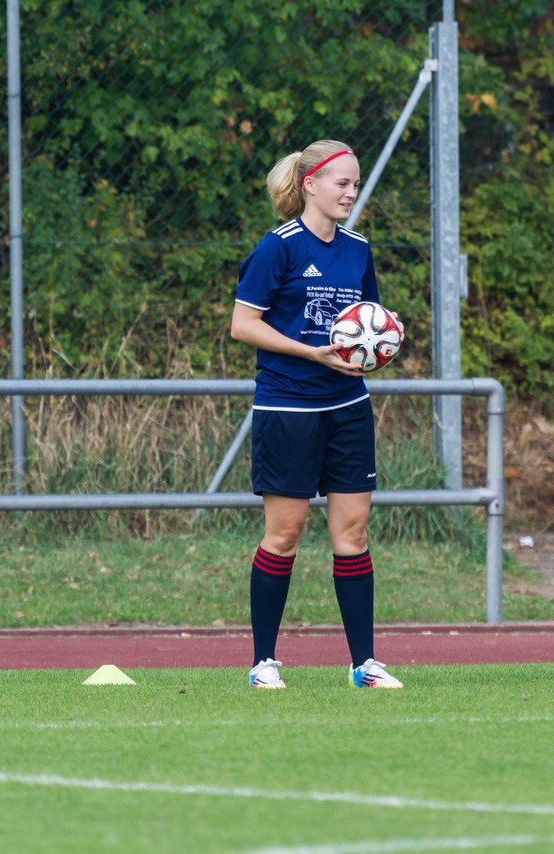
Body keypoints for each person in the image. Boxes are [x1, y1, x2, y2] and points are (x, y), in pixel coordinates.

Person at [230, 139, 403, 690]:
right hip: (287, 405)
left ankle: (363, 666)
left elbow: (367, 320)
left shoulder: (357, 249)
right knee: (284, 534)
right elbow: (243, 325)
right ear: (310, 184)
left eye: (354, 183)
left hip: (348, 407)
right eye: (342, 183)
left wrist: (381, 340)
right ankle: (263, 664)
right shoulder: (277, 247)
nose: (351, 192)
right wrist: (311, 352)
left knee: (352, 532)